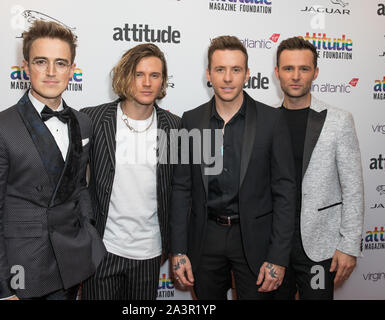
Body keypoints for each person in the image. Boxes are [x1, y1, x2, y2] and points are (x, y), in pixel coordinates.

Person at [0, 20, 105, 300]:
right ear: (25, 67)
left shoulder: (83, 123)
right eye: (40, 61)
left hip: (71, 262)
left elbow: (80, 186)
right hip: (23, 267)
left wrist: (87, 233)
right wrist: (0, 287)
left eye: (60, 63)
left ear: (72, 70)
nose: (50, 72)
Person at [170, 35, 296, 300]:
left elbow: (285, 192)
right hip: (205, 238)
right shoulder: (190, 120)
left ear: (247, 74)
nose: (228, 78)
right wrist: (178, 250)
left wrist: (278, 257)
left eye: (236, 70)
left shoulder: (272, 121)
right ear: (209, 74)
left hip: (255, 240)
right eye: (220, 69)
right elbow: (181, 189)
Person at [80, 43, 180, 300]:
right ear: (125, 76)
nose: (147, 82)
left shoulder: (175, 128)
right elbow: (76, 184)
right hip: (102, 249)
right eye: (139, 74)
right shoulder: (92, 120)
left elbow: (181, 193)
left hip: (149, 253)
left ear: (162, 81)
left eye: (154, 75)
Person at [273, 36, 364, 300]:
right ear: (277, 72)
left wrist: (349, 246)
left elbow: (353, 189)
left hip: (320, 246)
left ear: (316, 72)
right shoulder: (266, 119)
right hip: (275, 245)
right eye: (288, 68)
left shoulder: (339, 120)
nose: (296, 76)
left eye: (304, 68)